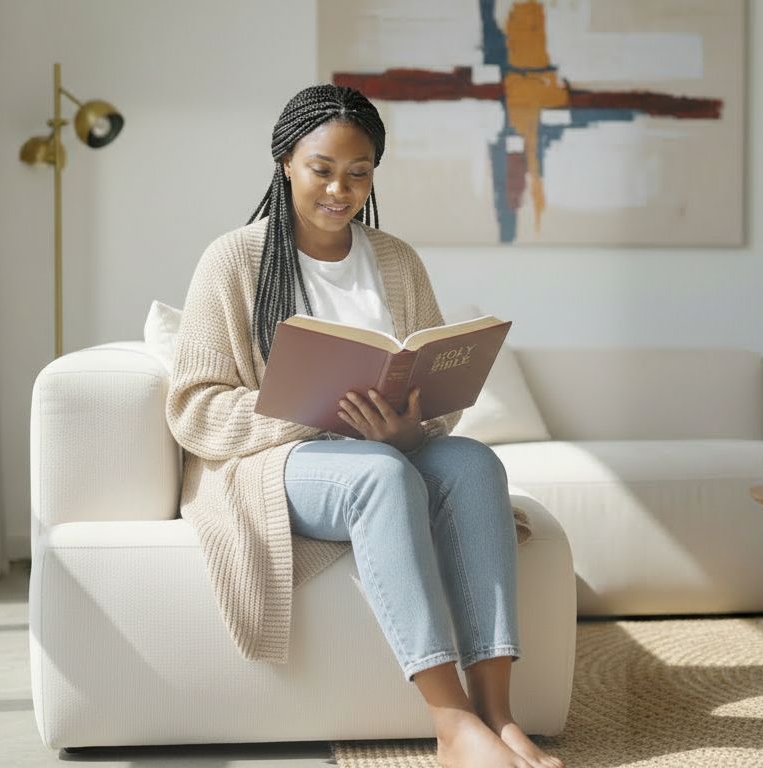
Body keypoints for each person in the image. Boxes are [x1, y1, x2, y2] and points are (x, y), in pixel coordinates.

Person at [165, 84, 563, 768]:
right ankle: (451, 724)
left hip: (387, 448)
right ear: (285, 160)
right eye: (322, 169)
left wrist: (412, 429)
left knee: (474, 463)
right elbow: (193, 407)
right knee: (377, 477)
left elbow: (436, 390)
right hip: (281, 464)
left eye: (359, 173)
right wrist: (302, 409)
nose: (339, 189)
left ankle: (500, 714)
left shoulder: (396, 260)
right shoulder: (233, 259)